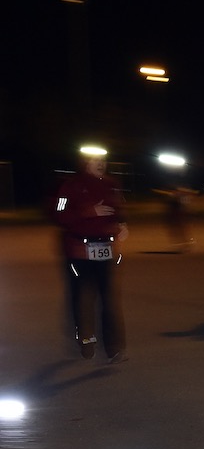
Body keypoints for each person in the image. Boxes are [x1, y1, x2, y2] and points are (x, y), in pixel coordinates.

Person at [51, 146, 129, 363]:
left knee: (108, 299)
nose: (100, 163)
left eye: (102, 159)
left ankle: (114, 347)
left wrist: (122, 225)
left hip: (105, 250)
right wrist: (88, 212)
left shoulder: (112, 185)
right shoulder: (71, 186)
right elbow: (59, 215)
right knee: (81, 298)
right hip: (78, 251)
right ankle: (85, 339)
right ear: (85, 162)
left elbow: (119, 211)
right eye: (95, 159)